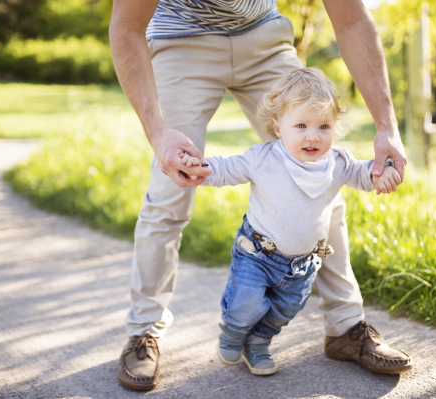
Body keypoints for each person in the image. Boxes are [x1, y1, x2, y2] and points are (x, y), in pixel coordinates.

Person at [110, 0, 410, 391]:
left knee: (323, 182)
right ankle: (143, 332)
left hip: (263, 36)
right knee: (171, 188)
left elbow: (351, 18)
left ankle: (345, 327)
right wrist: (157, 132)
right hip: (182, 40)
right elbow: (127, 28)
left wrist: (387, 125)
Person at [178, 68, 406, 376]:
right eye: (301, 125)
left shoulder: (338, 163)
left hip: (302, 265)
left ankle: (258, 343)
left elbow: (364, 174)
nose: (313, 136)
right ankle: (234, 331)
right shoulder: (264, 158)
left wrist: (383, 173)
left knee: (284, 310)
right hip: (257, 253)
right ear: (277, 126)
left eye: (323, 126)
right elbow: (227, 168)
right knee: (246, 304)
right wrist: (199, 167)